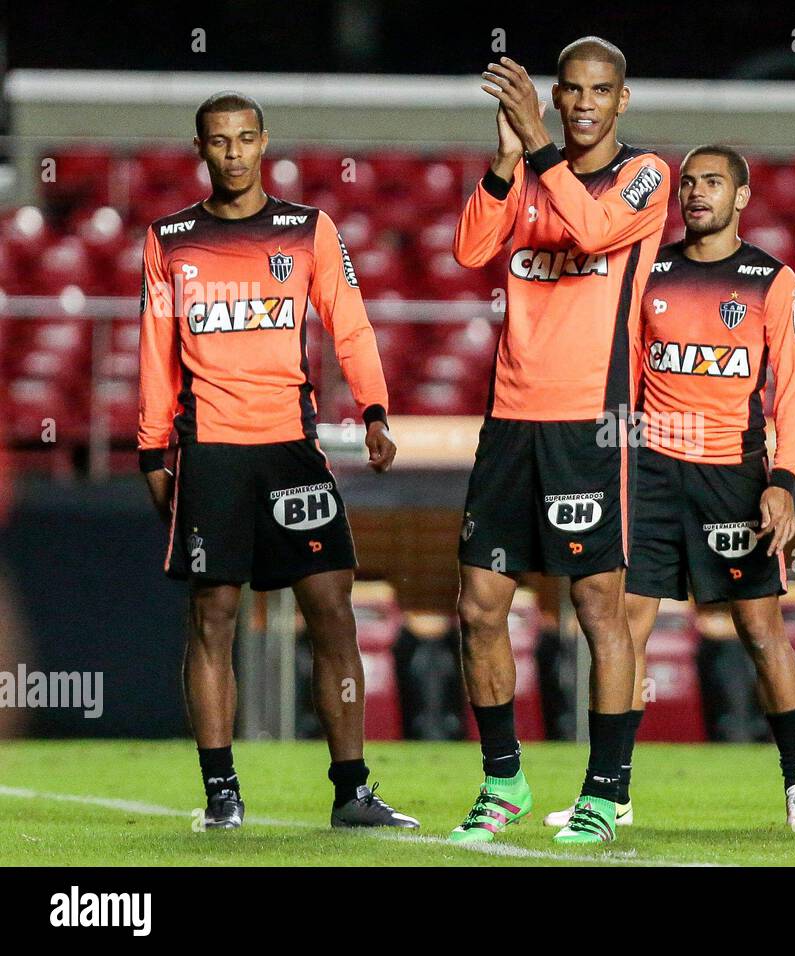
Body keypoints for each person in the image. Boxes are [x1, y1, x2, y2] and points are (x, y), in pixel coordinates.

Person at [137, 91, 418, 830]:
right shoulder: (169, 239)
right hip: (211, 450)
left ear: (264, 142)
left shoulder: (308, 228)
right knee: (213, 618)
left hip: (292, 448)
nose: (232, 152)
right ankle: (221, 793)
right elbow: (156, 351)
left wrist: (375, 407)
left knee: (332, 613)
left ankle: (351, 791)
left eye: (244, 138)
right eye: (218, 140)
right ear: (200, 148)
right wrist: (151, 447)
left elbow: (350, 324)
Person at [543, 145, 795, 832]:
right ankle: (608, 790)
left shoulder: (772, 280)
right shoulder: (651, 271)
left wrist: (783, 481)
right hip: (650, 473)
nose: (697, 194)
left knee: (760, 628)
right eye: (689, 183)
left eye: (713, 183)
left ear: (742, 195)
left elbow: (792, 387)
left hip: (733, 473)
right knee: (624, 624)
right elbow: (624, 372)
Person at [449, 38, 670, 844]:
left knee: (596, 607)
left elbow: (594, 228)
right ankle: (503, 782)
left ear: (622, 99)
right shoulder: (529, 174)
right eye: (570, 90)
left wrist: (538, 145)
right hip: (511, 419)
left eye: (599, 91)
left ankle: (604, 794)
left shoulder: (647, 174)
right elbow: (471, 249)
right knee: (479, 605)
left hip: (591, 422)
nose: (583, 104)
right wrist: (506, 161)